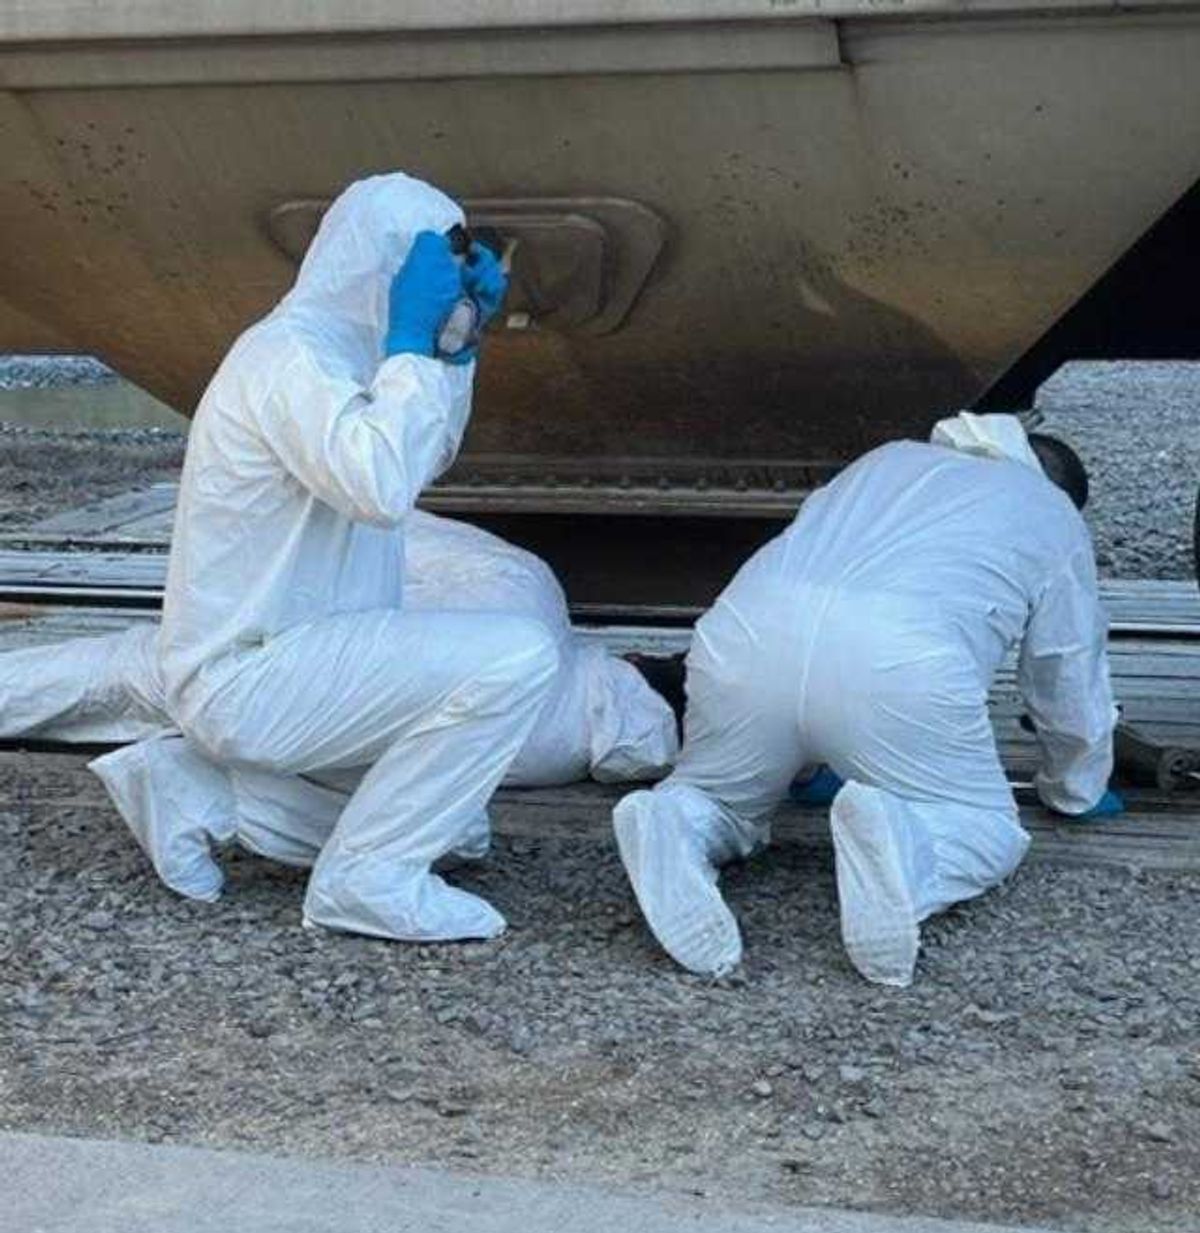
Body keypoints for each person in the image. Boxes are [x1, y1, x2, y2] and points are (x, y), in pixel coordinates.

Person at [101, 171, 565, 942]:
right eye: (434, 262)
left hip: (299, 659)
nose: (445, 275)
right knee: (518, 656)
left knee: (458, 829)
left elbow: (419, 460)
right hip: (252, 672)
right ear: (380, 264)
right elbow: (381, 485)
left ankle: (199, 793)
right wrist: (419, 349)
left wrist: (452, 353)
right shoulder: (289, 361)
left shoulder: (341, 358)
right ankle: (367, 882)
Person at [612, 413, 1120, 987]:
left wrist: (803, 766)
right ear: (1062, 491)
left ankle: (675, 821)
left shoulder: (885, 461)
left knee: (720, 799)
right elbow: (1066, 672)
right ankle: (906, 846)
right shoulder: (1050, 513)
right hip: (899, 667)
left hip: (741, 641)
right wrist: (1077, 787)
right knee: (983, 826)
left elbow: (817, 603)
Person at [0, 511, 678, 894]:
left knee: (133, 667)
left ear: (632, 659)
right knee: (451, 830)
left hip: (307, 654)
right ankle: (211, 795)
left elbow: (374, 518)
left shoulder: (527, 587)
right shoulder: (574, 751)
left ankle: (204, 790)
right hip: (351, 721)